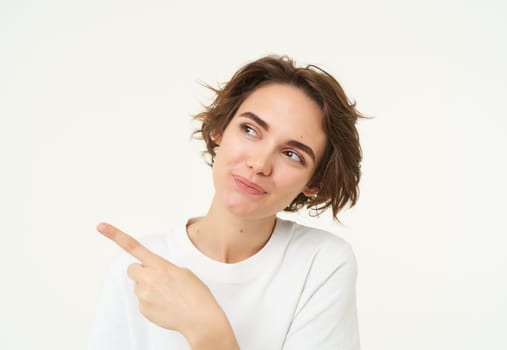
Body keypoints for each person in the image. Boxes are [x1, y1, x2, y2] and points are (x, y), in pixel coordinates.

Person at [90, 55, 364, 350]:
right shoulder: (138, 271)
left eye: (292, 154)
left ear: (314, 182)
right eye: (250, 130)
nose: (259, 164)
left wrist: (207, 330)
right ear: (220, 128)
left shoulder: (321, 263)